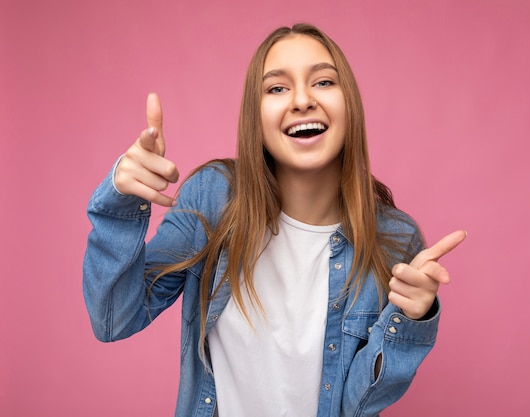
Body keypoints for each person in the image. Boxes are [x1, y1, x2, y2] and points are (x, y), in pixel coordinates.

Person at [83, 23, 466, 417]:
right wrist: (123, 202)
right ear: (256, 116)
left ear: (349, 103)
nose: (301, 100)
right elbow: (115, 317)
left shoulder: (393, 239)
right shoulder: (212, 199)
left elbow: (356, 406)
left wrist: (409, 319)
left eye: (322, 81)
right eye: (277, 88)